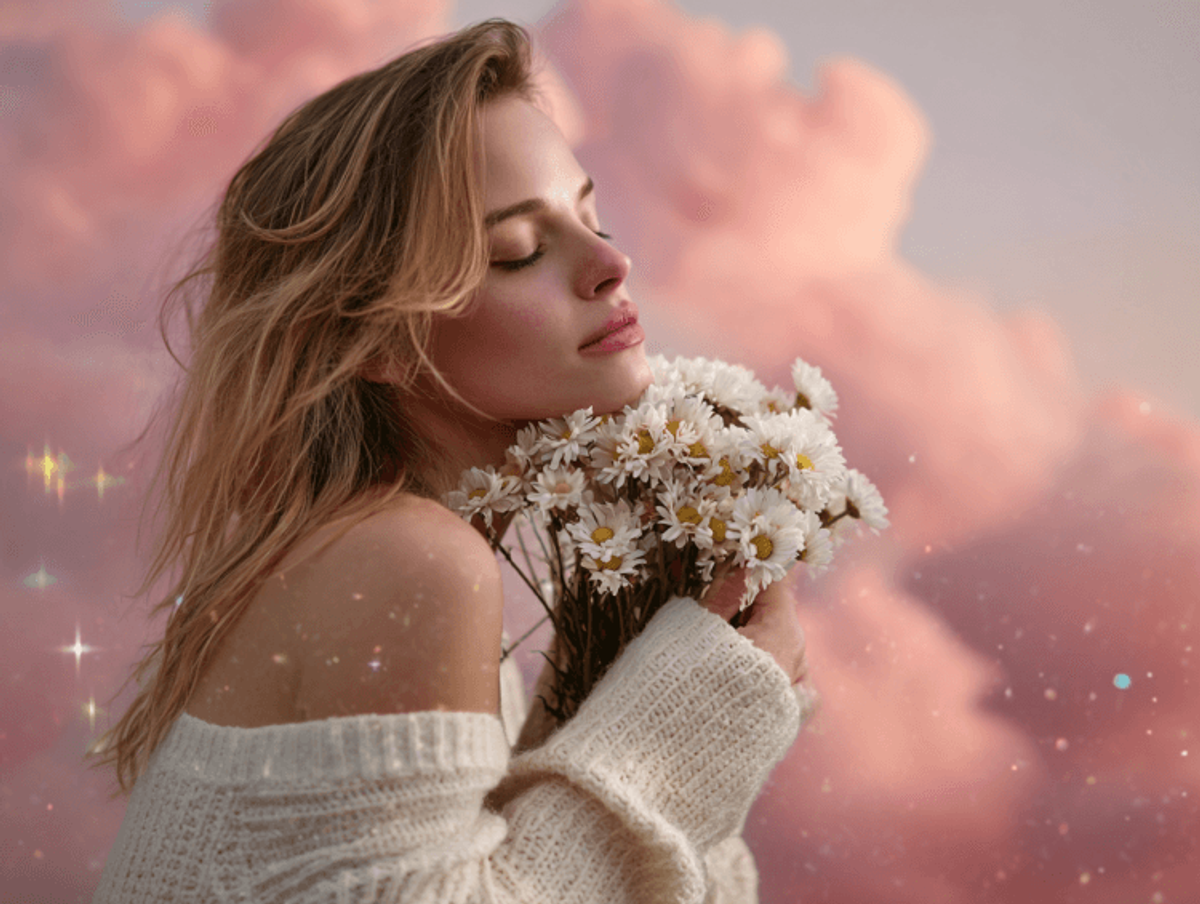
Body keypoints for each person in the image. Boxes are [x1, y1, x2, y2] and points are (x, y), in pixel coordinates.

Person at [87, 18, 813, 904]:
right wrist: (693, 720)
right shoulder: (409, 561)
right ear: (379, 343)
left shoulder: (366, 551)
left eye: (592, 218)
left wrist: (609, 697)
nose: (612, 265)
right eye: (519, 253)